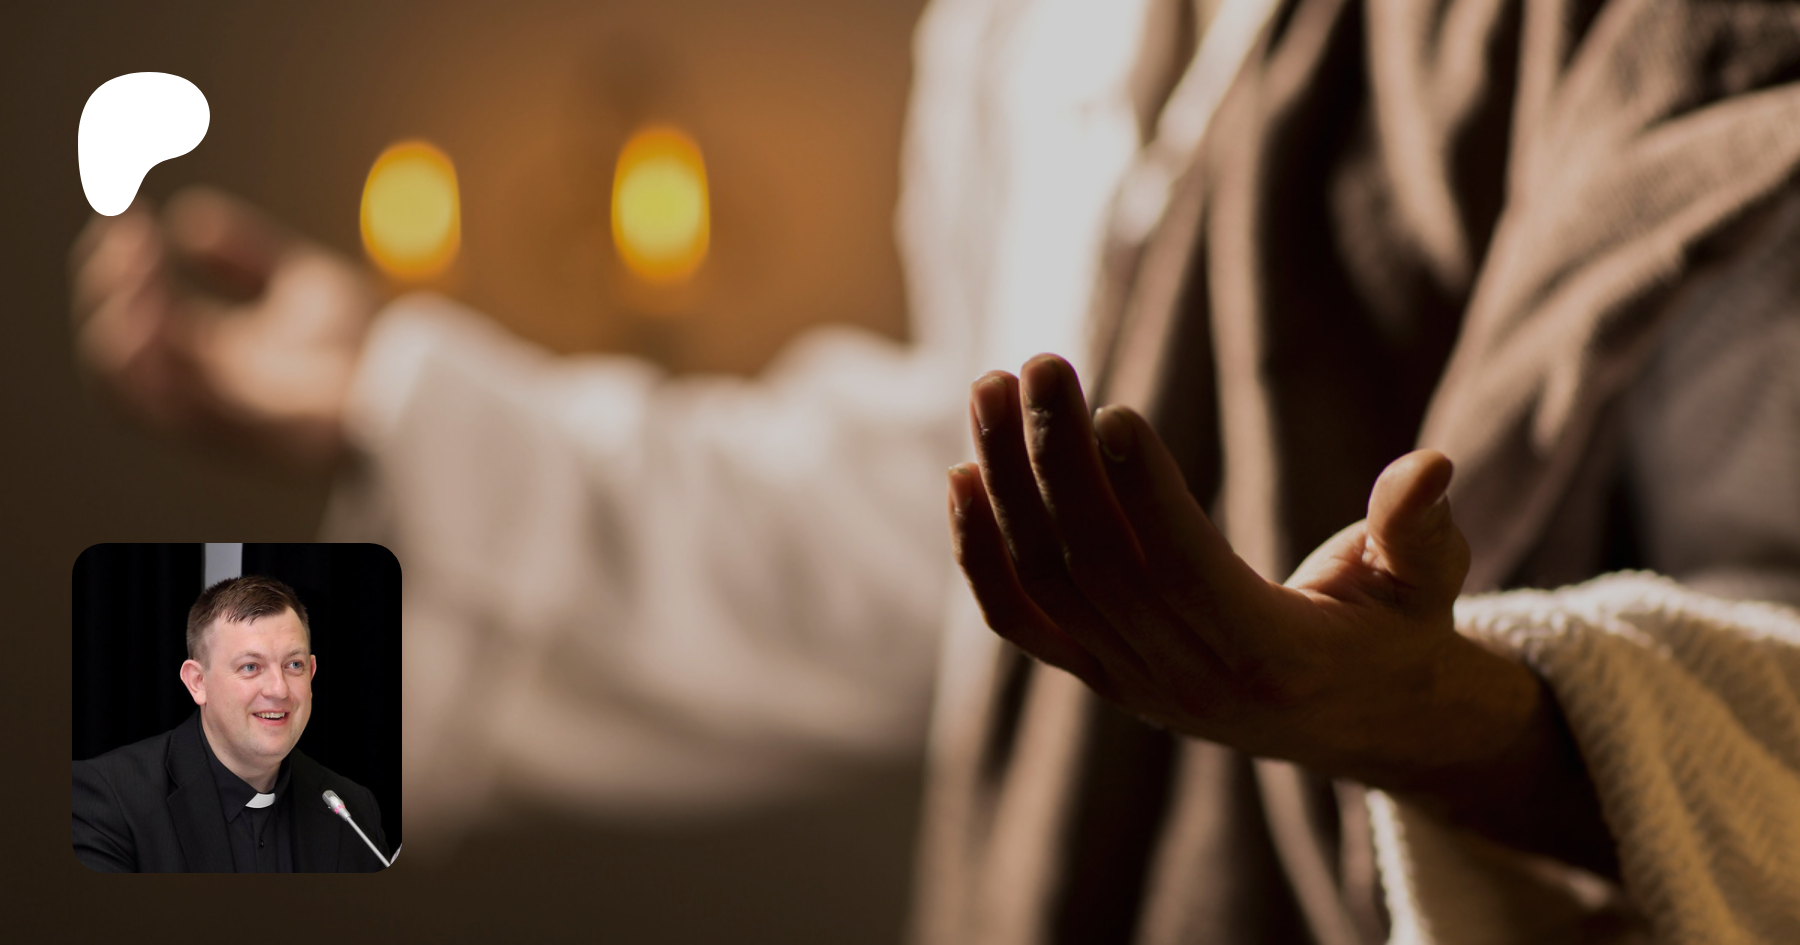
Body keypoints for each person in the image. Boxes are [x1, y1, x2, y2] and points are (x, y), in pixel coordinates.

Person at [68, 0, 1800, 938]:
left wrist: (1474, 728)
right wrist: (407, 396)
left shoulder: (1676, 37)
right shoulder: (1018, 32)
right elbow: (957, 538)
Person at [71, 576, 389, 873]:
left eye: (294, 665)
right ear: (198, 683)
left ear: (312, 673)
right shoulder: (107, 800)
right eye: (250, 667)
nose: (279, 689)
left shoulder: (354, 810)